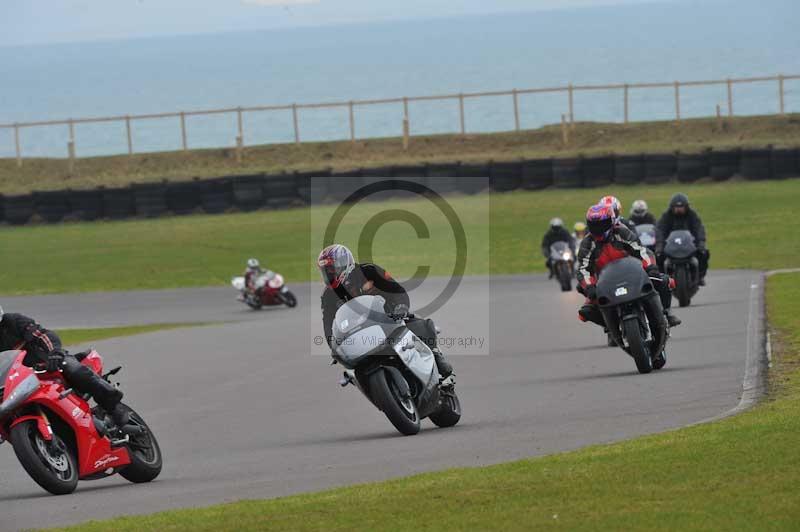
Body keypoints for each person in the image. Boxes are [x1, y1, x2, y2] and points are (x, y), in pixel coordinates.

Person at [317, 244, 454, 381]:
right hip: (359, 333)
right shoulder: (328, 295)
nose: (328, 275)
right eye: (325, 271)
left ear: (344, 263)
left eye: (330, 270)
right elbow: (328, 324)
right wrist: (334, 345)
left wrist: (400, 307)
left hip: (389, 318)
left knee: (420, 324)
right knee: (351, 371)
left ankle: (436, 355)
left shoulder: (369, 271)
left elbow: (397, 290)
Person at [0, 306, 129, 427]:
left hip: (48, 365)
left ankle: (113, 405)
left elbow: (43, 335)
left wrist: (54, 353)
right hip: (17, 384)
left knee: (69, 366)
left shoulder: (12, 321)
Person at [576, 204, 682, 329]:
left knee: (663, 280)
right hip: (604, 282)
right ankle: (610, 326)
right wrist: (589, 287)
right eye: (594, 225)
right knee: (586, 311)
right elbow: (583, 269)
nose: (598, 229)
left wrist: (650, 268)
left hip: (633, 274)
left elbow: (642, 251)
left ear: (611, 221)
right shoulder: (587, 243)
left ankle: (666, 314)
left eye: (602, 224)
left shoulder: (621, 232)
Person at [655, 193, 709, 286]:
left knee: (704, 253)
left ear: (686, 207)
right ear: (672, 207)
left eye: (681, 207)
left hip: (689, 244)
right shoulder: (666, 216)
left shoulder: (692, 215)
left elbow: (699, 228)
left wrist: (701, 242)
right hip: (670, 245)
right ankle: (661, 279)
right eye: (676, 207)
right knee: (658, 256)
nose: (679, 209)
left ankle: (700, 276)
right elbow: (660, 229)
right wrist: (660, 244)